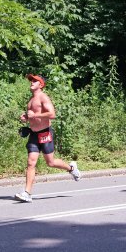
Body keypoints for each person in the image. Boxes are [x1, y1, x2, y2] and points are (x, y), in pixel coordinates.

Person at [15, 74, 81, 202]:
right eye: (31, 81)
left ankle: (71, 168)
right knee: (31, 162)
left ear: (41, 85)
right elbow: (33, 116)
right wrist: (26, 117)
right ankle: (27, 193)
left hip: (45, 133)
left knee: (50, 162)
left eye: (35, 81)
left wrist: (34, 115)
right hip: (34, 135)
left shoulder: (43, 97)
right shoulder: (30, 100)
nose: (32, 82)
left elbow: (52, 114)